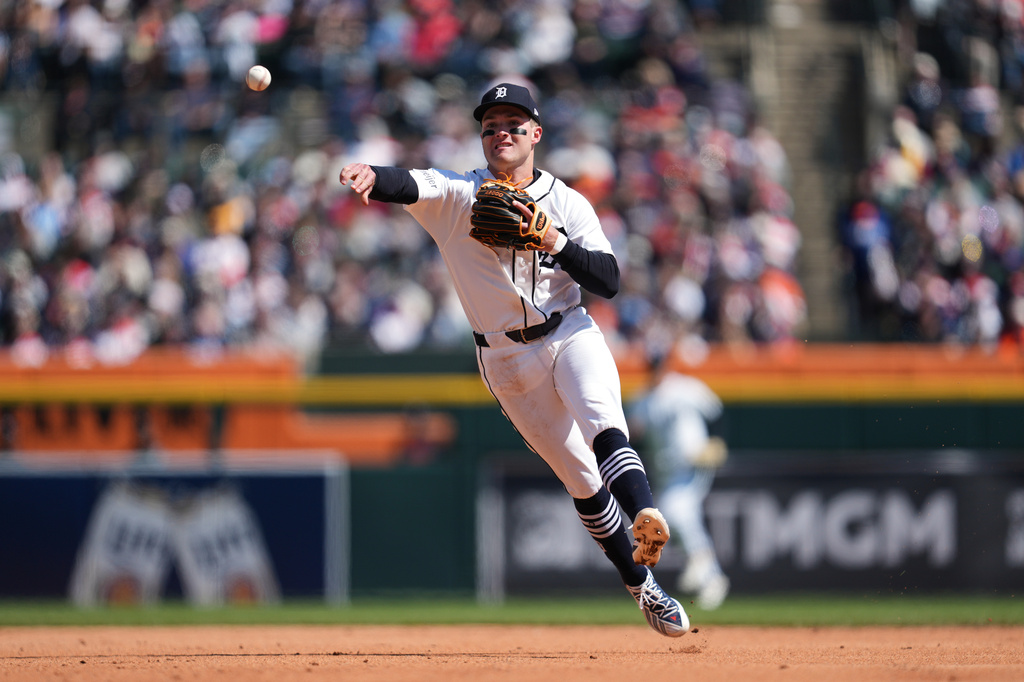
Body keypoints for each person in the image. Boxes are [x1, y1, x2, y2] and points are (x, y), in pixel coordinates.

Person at [339, 82, 689, 637]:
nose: (501, 132)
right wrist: (371, 175)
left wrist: (553, 239)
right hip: (504, 357)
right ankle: (645, 588)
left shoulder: (569, 202)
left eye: (514, 123)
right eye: (491, 125)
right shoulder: (458, 194)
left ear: (536, 134)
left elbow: (610, 279)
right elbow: (408, 183)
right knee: (580, 480)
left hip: (569, 330)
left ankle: (647, 514)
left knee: (603, 422)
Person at [628, 351, 730, 610]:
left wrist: (716, 441)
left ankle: (700, 561)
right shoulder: (643, 400)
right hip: (666, 471)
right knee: (683, 516)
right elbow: (633, 433)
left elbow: (717, 414)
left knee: (676, 511)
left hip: (694, 462)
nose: (657, 369)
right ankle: (712, 578)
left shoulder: (686, 388)